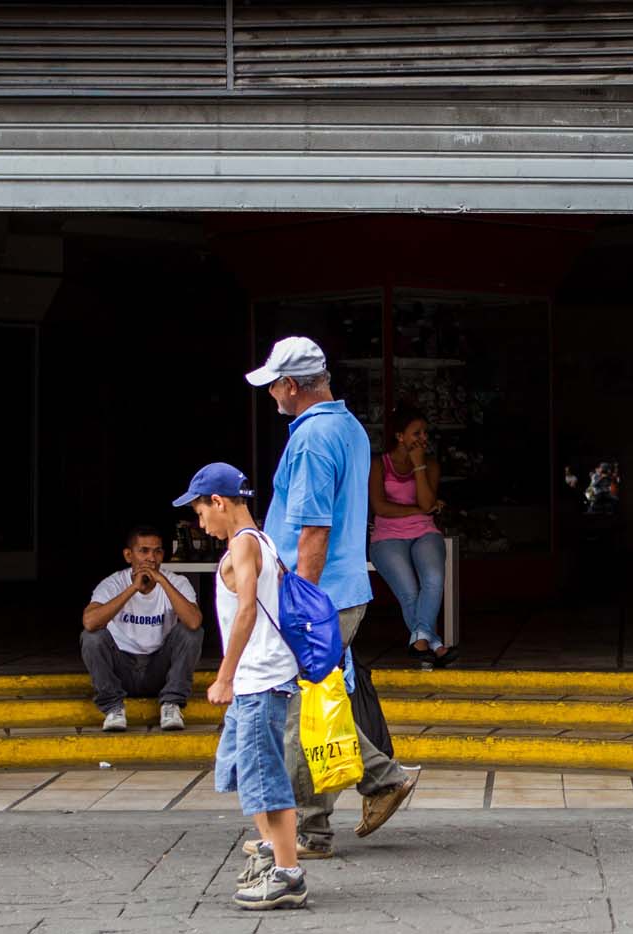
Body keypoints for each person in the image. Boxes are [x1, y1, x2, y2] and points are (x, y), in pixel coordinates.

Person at [246, 336, 418, 860]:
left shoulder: (313, 438)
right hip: (340, 592)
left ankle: (315, 829)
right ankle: (372, 788)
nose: (271, 393)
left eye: (274, 384)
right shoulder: (348, 428)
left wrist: (298, 601)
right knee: (317, 705)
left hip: (318, 594)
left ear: (292, 385)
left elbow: (314, 529)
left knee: (300, 712)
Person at [174, 463, 307, 910]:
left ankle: (288, 874)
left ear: (219, 501)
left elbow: (248, 609)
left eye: (200, 512)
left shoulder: (246, 545)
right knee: (241, 768)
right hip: (263, 678)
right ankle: (272, 852)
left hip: (257, 680)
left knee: (266, 778)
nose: (200, 524)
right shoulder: (262, 541)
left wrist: (225, 675)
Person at [81, 526, 203, 732]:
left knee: (192, 633)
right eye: (144, 551)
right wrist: (133, 589)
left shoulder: (177, 582)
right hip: (123, 670)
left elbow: (194, 622)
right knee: (92, 637)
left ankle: (171, 704)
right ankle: (113, 708)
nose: (151, 558)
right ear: (128, 555)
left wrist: (162, 581)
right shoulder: (112, 583)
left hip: (159, 670)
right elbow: (90, 622)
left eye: (157, 551)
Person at [369, 405, 454, 667]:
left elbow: (428, 503)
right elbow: (380, 507)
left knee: (434, 579)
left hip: (424, 531)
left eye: (425, 433)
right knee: (409, 592)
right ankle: (435, 644)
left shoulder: (430, 464)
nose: (423, 438)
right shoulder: (378, 465)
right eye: (416, 433)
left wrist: (418, 466)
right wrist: (419, 509)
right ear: (399, 436)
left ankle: (420, 642)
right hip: (387, 536)